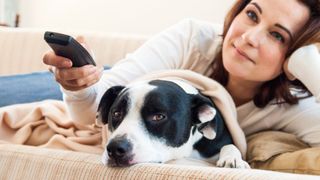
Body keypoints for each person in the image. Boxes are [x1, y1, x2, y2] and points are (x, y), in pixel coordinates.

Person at [43, 0, 320, 147]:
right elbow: (90, 112)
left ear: (296, 55)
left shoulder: (293, 106)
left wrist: (311, 67)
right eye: (251, 14)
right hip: (64, 89)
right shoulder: (192, 38)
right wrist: (78, 86)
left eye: (277, 36)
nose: (249, 37)